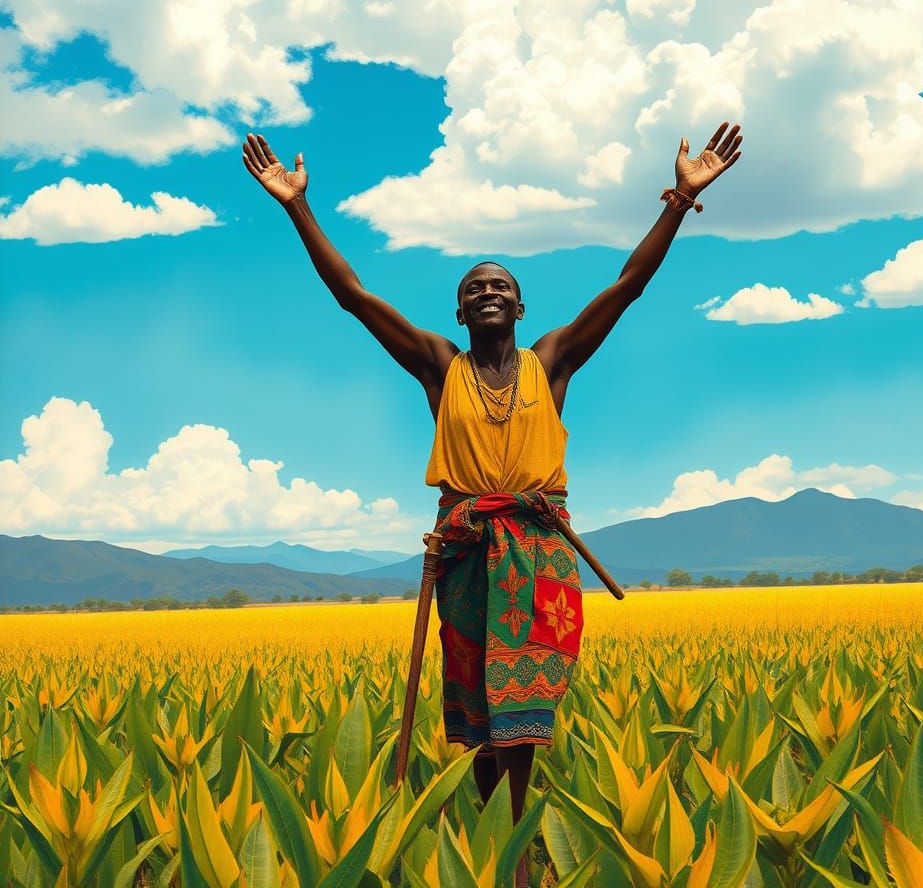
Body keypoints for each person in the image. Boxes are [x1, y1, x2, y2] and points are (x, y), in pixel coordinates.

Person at [242, 123, 742, 884]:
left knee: (523, 712)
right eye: (473, 289)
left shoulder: (552, 362)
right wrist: (296, 208)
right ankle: (492, 845)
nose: (486, 293)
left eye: (498, 286)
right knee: (476, 708)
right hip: (470, 550)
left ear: (519, 303)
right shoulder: (440, 369)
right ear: (458, 313)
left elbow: (627, 287)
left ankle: (512, 841)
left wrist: (679, 199)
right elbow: (352, 297)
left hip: (538, 555)